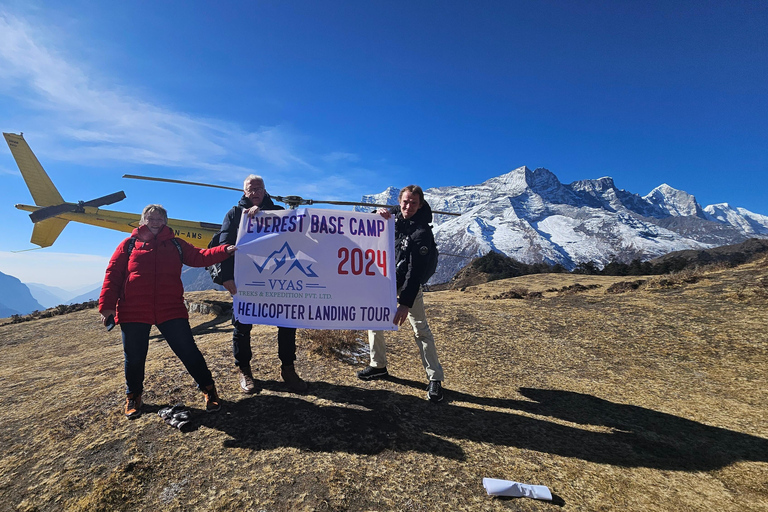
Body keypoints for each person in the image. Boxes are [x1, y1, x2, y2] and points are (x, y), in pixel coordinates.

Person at [99, 204, 236, 419]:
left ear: (165, 221)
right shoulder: (128, 245)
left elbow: (200, 257)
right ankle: (133, 396)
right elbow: (112, 275)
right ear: (142, 220)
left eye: (159, 218)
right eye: (150, 218)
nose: (155, 222)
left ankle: (209, 390)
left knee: (189, 351)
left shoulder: (176, 244)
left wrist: (223, 251)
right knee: (134, 357)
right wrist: (106, 307)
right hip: (133, 309)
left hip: (170, 308)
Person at [217, 174, 308, 394]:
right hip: (246, 280)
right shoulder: (235, 213)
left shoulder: (278, 212)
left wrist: (265, 217)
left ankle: (288, 369)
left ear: (265, 190)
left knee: (287, 323)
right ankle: (244, 370)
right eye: (251, 188)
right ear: (244, 192)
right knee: (242, 326)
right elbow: (223, 245)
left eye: (259, 188)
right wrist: (226, 277)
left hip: (280, 279)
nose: (255, 192)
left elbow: (297, 236)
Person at [357, 185, 445, 402]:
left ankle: (435, 378)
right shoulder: (393, 216)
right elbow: (363, 228)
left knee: (420, 329)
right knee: (375, 322)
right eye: (405, 202)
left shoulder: (422, 232)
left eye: (414, 203)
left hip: (408, 285)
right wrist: (375, 216)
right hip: (386, 281)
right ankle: (378, 366)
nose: (408, 206)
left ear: (420, 204)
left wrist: (404, 303)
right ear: (399, 201)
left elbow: (416, 272)